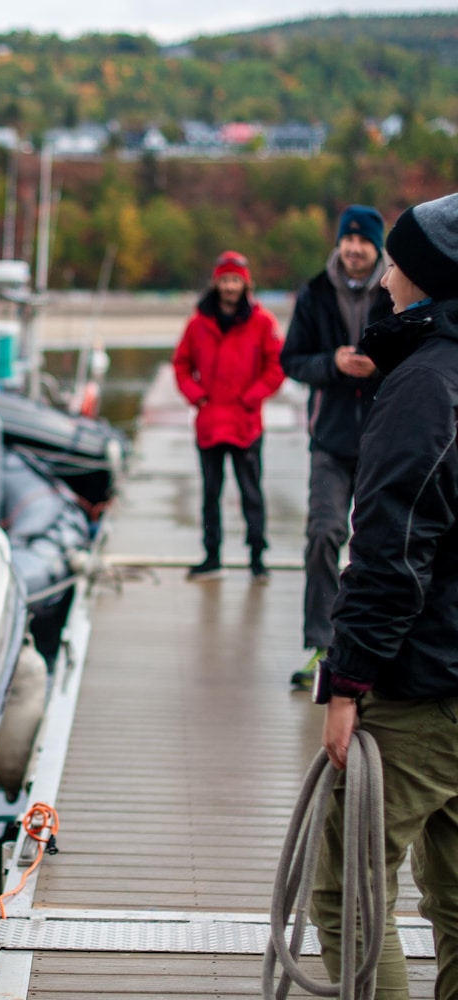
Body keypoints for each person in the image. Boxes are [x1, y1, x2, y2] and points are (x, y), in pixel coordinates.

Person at [310, 192, 458, 1000]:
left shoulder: (426, 386)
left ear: (427, 281)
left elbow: (392, 553)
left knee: (346, 900)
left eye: (398, 260)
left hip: (421, 684)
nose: (385, 273)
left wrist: (347, 683)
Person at [280, 206, 394, 689]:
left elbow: (421, 354)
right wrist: (333, 363)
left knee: (380, 544)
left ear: (376, 246)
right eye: (346, 241)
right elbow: (292, 359)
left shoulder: (397, 289)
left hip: (384, 436)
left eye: (362, 242)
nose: (353, 249)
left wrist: (378, 365)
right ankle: (322, 646)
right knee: (324, 534)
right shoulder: (315, 291)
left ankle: (376, 650)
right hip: (328, 437)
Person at [172, 250, 285, 583]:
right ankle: (211, 556)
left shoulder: (263, 322)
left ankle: (257, 557)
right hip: (209, 422)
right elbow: (181, 365)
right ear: (216, 282)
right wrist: (197, 396)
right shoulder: (197, 323)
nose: (230, 286)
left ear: (245, 284)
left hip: (245, 423)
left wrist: (251, 398)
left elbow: (276, 367)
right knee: (210, 494)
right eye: (225, 279)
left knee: (251, 492)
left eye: (236, 280)